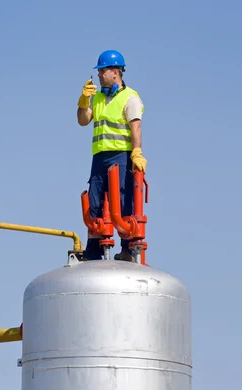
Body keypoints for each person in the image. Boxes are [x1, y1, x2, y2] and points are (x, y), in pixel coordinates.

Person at [76, 49, 147, 262]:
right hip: (99, 157)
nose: (98, 75)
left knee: (123, 202)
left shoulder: (130, 97)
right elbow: (83, 120)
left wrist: (136, 152)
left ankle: (126, 249)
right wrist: (82, 101)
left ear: (115, 72)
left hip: (121, 156)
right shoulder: (97, 97)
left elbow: (136, 127)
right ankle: (93, 251)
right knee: (95, 203)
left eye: (102, 71)